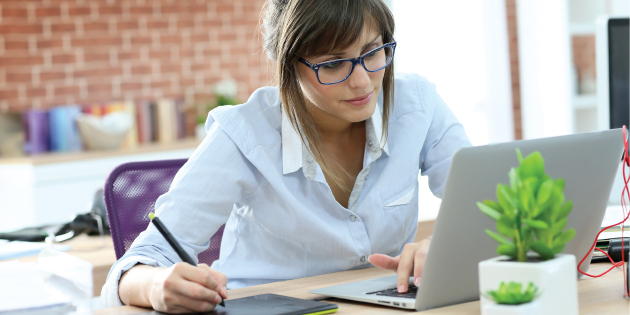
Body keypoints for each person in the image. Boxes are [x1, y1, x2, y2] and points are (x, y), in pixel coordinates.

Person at [101, 0, 471, 313]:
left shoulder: (415, 104)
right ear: (288, 67)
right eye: (332, 64)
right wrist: (155, 285)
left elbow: (491, 204)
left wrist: (445, 247)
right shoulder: (244, 133)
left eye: (372, 52)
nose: (362, 81)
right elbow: (136, 265)